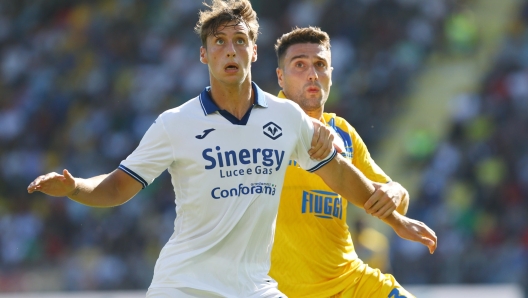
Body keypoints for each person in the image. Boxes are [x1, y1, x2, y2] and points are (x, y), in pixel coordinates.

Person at [27, 1, 436, 297]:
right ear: (204, 53)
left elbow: (341, 174)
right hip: (185, 286)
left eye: (240, 41)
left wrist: (397, 221)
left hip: (256, 288)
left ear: (253, 52)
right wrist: (77, 187)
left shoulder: (288, 120)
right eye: (219, 41)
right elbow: (119, 186)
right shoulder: (175, 123)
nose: (230, 50)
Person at [270, 26, 420, 298]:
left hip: (348, 282)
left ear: (330, 75)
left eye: (320, 65)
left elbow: (396, 197)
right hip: (278, 290)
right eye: (299, 65)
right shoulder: (261, 125)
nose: (312, 74)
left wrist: (395, 191)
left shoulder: (343, 132)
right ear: (280, 77)